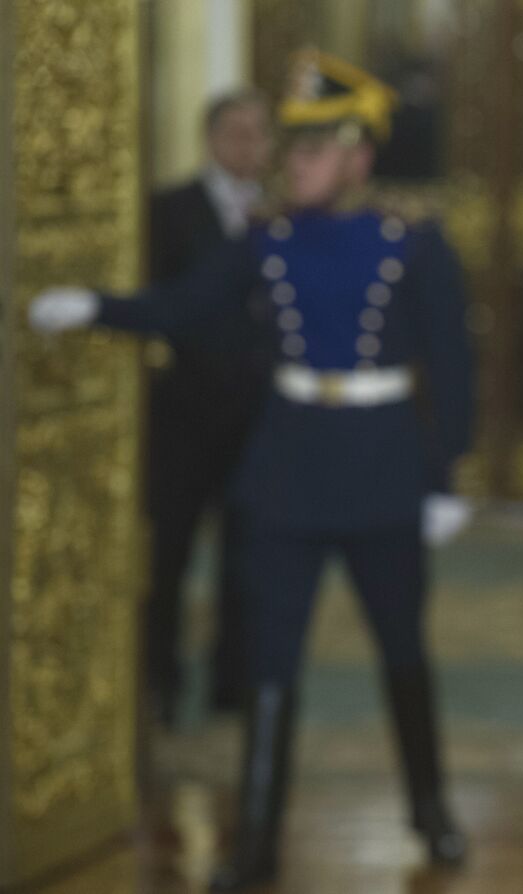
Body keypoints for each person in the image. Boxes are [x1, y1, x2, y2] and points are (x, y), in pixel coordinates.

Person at [30, 50, 473, 890]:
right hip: (286, 470)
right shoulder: (266, 240)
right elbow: (184, 307)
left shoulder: (412, 242)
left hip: (381, 467)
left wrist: (445, 476)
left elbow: (453, 363)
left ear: (357, 156)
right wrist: (96, 306)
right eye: (290, 147)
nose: (291, 162)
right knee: (270, 662)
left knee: (402, 650)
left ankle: (433, 812)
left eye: (311, 148)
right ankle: (256, 845)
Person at [144, 90, 274, 723]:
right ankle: (160, 679)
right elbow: (160, 303)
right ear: (210, 138)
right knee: (169, 551)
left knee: (247, 559)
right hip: (184, 415)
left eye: (257, 133)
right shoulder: (169, 210)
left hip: (255, 419)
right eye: (235, 132)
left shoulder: (281, 216)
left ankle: (233, 682)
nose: (246, 145)